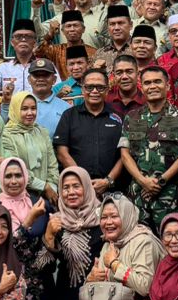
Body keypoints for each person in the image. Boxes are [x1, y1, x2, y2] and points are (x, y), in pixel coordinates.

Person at [22, 167, 103, 300]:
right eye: (65, 188)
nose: (71, 192)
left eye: (76, 186)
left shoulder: (104, 217)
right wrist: (49, 237)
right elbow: (40, 267)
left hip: (101, 294)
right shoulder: (57, 221)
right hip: (69, 298)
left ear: (86, 187)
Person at [119, 67, 178, 229]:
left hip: (169, 196)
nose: (152, 86)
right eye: (147, 83)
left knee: (171, 241)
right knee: (139, 241)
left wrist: (160, 182)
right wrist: (143, 181)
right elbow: (125, 154)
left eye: (157, 81)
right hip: (138, 195)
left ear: (167, 86)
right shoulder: (132, 117)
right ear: (141, 87)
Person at [54, 68, 125, 197]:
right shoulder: (69, 116)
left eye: (100, 87)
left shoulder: (118, 117)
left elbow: (124, 155)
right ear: (82, 89)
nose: (94, 91)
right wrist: (82, 180)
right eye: (89, 87)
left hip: (112, 190)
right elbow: (62, 152)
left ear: (107, 90)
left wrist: (108, 181)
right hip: (76, 190)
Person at [0, 92, 60, 203]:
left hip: (47, 194)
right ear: (15, 109)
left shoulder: (41, 131)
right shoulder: (6, 135)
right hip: (18, 195)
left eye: (33, 108)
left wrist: (52, 187)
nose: (30, 113)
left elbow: (52, 164)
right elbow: (15, 168)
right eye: (24, 109)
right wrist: (44, 186)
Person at [0, 22, 40, 98]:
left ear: (35, 43)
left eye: (28, 37)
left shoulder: (44, 66)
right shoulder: (3, 69)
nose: (23, 39)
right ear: (12, 42)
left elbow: (56, 91)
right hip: (9, 109)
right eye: (18, 36)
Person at [28, 59, 71, 137]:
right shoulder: (21, 105)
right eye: (36, 75)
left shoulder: (66, 108)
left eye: (45, 75)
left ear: (54, 80)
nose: (41, 79)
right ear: (29, 80)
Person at [0, 157, 41, 233]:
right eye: (8, 176)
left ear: (25, 177)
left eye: (18, 176)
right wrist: (30, 219)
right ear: (1, 179)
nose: (13, 181)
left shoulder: (37, 203)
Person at [106, 54, 144, 118]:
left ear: (138, 74)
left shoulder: (146, 101)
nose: (124, 77)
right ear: (114, 75)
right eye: (119, 73)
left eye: (129, 72)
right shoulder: (106, 99)